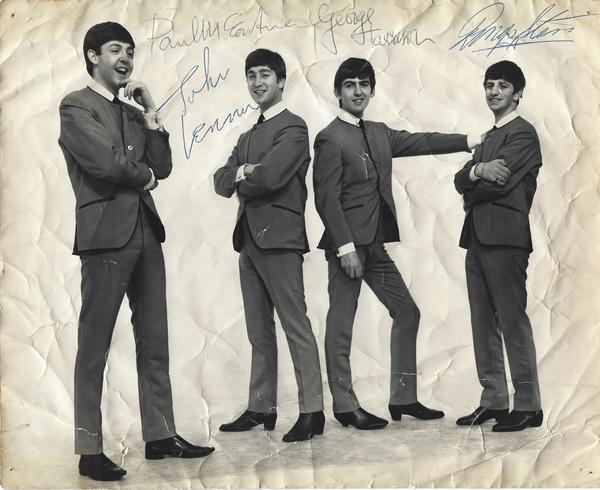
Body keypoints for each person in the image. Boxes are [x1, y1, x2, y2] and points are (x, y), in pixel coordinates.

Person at [58, 22, 214, 482]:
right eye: (114, 50)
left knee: (154, 339)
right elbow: (105, 165)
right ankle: (88, 449)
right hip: (105, 235)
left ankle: (161, 436)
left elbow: (162, 164)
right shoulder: (75, 105)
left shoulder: (129, 112)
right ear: (92, 57)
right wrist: (143, 176)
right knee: (94, 344)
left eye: (129, 50)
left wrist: (150, 114)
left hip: (146, 232)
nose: (125, 58)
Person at [313, 57, 480, 430]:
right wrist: (345, 248)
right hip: (348, 249)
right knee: (342, 324)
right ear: (338, 92)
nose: (358, 91)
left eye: (364, 84)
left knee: (407, 313)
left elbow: (421, 141)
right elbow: (326, 199)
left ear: (371, 90)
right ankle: (344, 405)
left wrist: (470, 140)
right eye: (350, 85)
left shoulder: (378, 132)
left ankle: (403, 398)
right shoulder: (329, 137)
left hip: (375, 246)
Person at [214, 49, 324, 442]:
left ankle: (313, 412)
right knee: (258, 331)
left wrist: (241, 174)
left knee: (296, 326)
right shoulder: (246, 135)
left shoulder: (294, 128)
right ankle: (261, 408)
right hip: (248, 241)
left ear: (281, 81)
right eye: (251, 75)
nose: (257, 82)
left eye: (265, 75)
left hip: (280, 240)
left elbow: (272, 177)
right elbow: (219, 180)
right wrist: (242, 172)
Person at [454, 60, 543, 432]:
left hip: (506, 240)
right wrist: (476, 171)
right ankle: (493, 400)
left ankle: (528, 405)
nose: (494, 91)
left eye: (503, 85)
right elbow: (461, 179)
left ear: (517, 93)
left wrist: (475, 181)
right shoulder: (489, 138)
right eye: (489, 84)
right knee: (482, 321)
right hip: (476, 237)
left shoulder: (523, 134)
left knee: (511, 320)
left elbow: (501, 184)